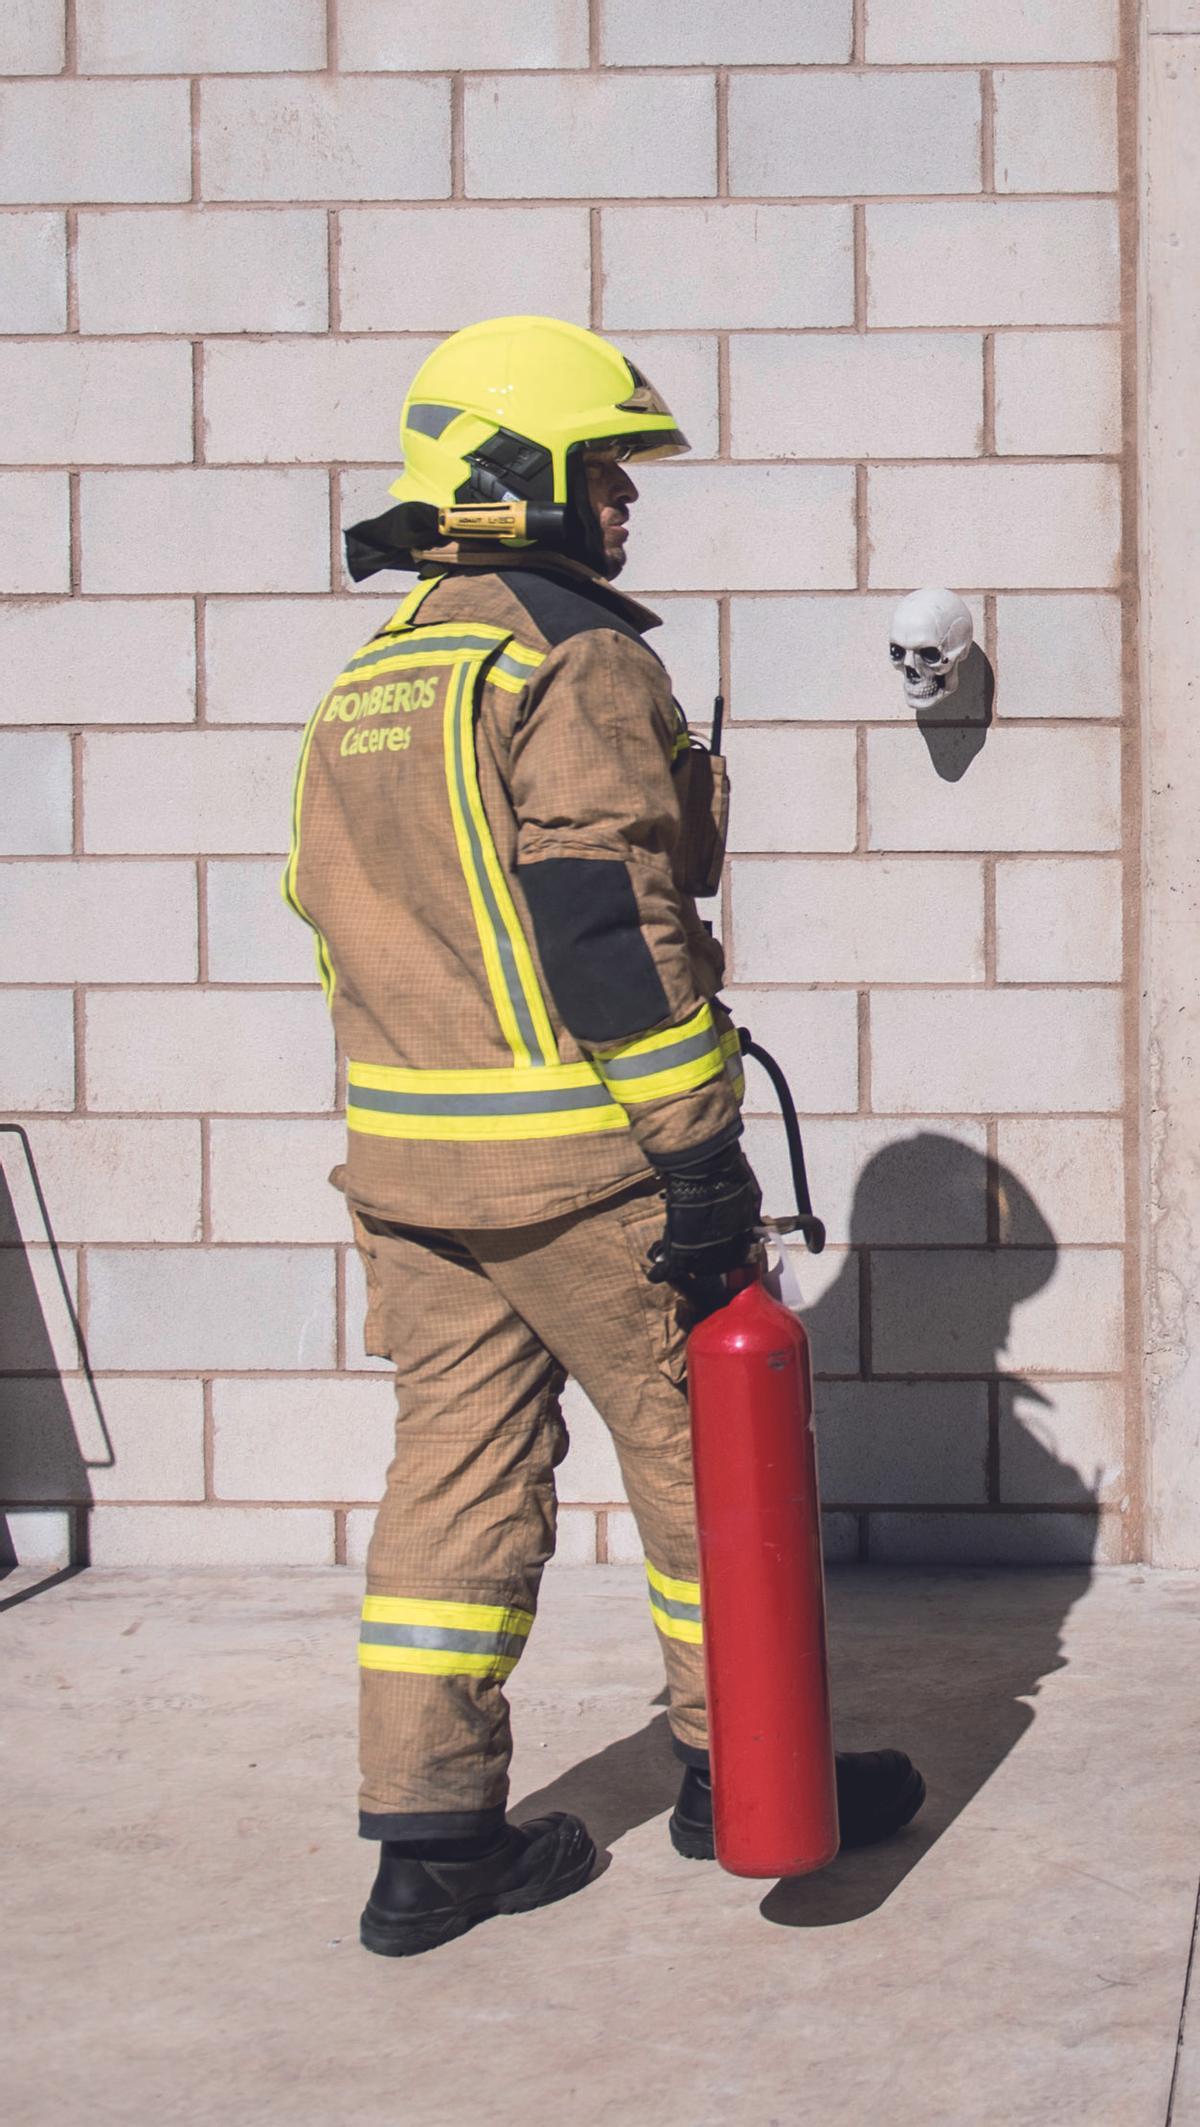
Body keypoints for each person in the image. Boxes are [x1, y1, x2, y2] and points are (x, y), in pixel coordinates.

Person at [283, 315, 924, 1958]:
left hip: (414, 1172)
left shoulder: (384, 668)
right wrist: (699, 1149)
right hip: (585, 1165)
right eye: (606, 471)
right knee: (706, 1467)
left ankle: (430, 1847)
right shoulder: (569, 654)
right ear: (522, 477)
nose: (627, 504)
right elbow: (604, 918)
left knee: (452, 1488)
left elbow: (334, 916)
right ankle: (745, 1776)